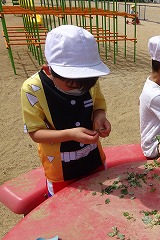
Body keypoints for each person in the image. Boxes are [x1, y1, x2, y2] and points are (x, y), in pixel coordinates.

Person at [21, 25, 111, 196]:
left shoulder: (86, 80)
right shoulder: (32, 89)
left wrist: (100, 117)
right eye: (71, 86)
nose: (80, 90)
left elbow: (98, 105)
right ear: (48, 70)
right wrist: (70, 134)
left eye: (86, 85)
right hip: (60, 171)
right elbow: (35, 132)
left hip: (93, 159)